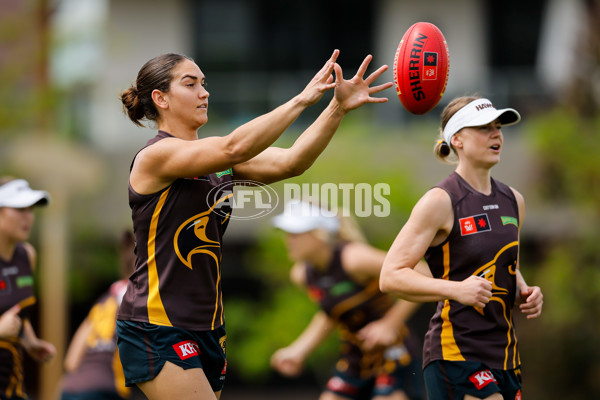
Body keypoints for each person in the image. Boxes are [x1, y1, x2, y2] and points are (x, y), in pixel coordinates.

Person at [115, 50, 393, 400]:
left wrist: (336, 107)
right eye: (191, 84)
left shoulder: (218, 164)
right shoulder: (155, 156)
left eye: (204, 84)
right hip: (156, 324)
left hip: (209, 326)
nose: (205, 92)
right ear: (161, 98)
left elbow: (292, 162)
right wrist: (303, 99)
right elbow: (234, 147)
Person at [379, 96, 544, 400]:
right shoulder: (440, 201)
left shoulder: (514, 201)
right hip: (456, 351)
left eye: (498, 127)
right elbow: (390, 275)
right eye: (484, 128)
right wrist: (455, 290)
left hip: (506, 354)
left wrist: (524, 288)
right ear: (457, 139)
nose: (496, 134)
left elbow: (500, 262)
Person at [270, 200, 425, 400]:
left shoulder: (354, 258)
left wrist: (389, 325)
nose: (288, 240)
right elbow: (331, 313)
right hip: (355, 358)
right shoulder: (302, 274)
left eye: (296, 233)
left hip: (393, 352)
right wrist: (298, 350)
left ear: (320, 234)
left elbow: (422, 274)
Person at [60, 230, 145, 400]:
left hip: (71, 388)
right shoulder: (143, 300)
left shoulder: (103, 302)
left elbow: (71, 361)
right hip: (107, 388)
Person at [0, 177, 57, 400]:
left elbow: (18, 310)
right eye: (20, 209)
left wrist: (31, 342)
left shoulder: (27, 255)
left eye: (31, 209)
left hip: (11, 382)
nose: (29, 218)